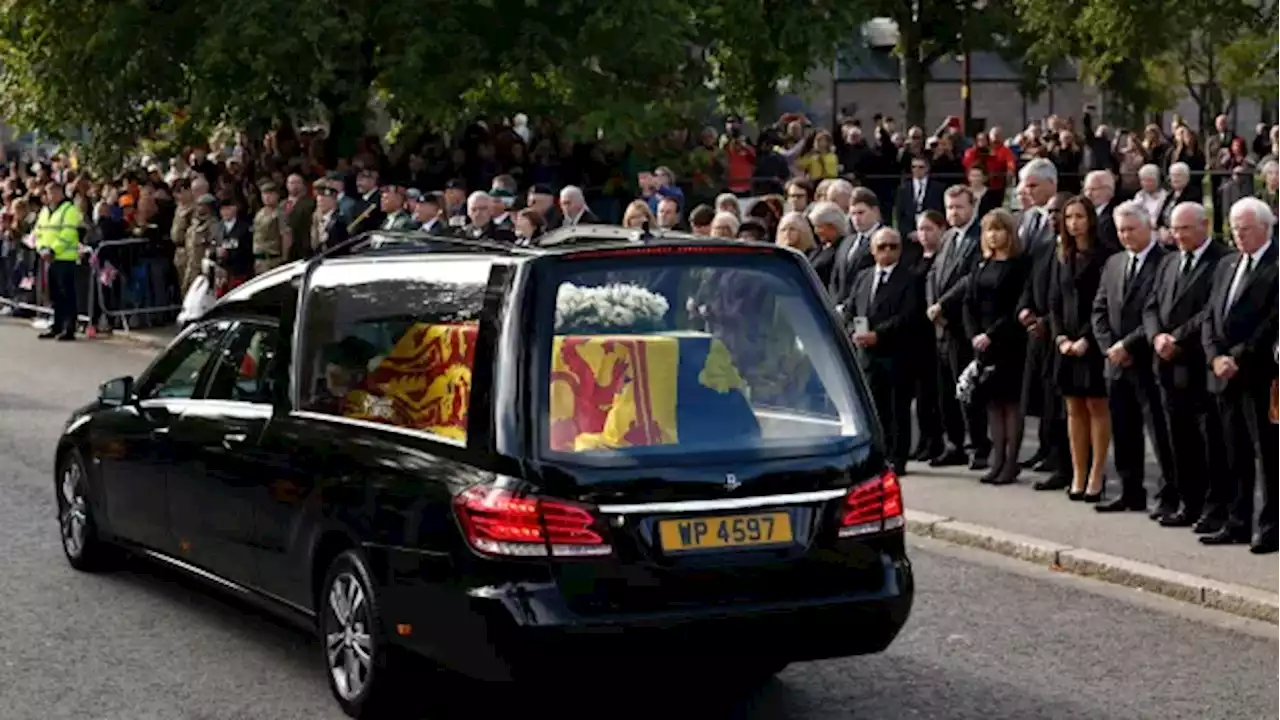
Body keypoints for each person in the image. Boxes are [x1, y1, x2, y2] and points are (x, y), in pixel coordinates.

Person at [1143, 202, 1230, 529]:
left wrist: (1176, 338)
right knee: (1179, 439)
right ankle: (1187, 502)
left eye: (1186, 229)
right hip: (1166, 364)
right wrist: (1156, 338)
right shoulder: (1168, 261)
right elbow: (1150, 306)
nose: (1178, 235)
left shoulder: (1221, 261)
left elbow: (1210, 311)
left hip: (1197, 362)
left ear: (1204, 225)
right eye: (1174, 229)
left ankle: (1214, 506)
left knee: (1209, 441)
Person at [1090, 200, 1175, 514]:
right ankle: (1130, 491)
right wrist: (1109, 347)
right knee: (1124, 432)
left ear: (1148, 227)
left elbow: (1159, 313)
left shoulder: (1165, 262)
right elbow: (1099, 309)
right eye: (1121, 230)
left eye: (1131, 229)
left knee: (1159, 433)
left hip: (1146, 361)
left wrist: (1128, 344)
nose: (1126, 235)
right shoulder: (1113, 263)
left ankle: (1169, 495)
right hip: (1115, 362)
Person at [1049, 195, 1115, 502]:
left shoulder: (1104, 256)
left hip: (1092, 341)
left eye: (1079, 216)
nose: (1074, 223)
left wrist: (1087, 339)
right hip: (1066, 343)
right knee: (1073, 408)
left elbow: (1104, 302)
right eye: (1069, 217)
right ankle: (1078, 471)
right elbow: (1054, 301)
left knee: (1096, 406)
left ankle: (1096, 474)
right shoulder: (1062, 253)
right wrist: (1060, 336)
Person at [962, 209, 1031, 484]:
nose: (993, 235)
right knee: (992, 403)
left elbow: (1016, 305)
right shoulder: (980, 263)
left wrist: (991, 334)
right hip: (982, 342)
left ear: (1009, 232)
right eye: (989, 230)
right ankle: (997, 459)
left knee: (1010, 404)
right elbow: (968, 301)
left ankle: (1011, 462)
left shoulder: (1019, 264)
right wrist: (974, 334)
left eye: (999, 229)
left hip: (1009, 341)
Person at [846, 228, 921, 474]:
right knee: (874, 408)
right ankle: (879, 454)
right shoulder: (864, 276)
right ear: (872, 250)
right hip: (867, 356)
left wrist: (878, 334)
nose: (887, 251)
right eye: (882, 246)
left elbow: (908, 316)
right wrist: (851, 331)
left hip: (895, 354)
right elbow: (851, 308)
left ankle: (898, 458)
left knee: (897, 409)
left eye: (893, 246)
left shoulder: (910, 278)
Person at [34, 181, 85, 340]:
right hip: (50, 258)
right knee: (55, 295)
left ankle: (69, 328)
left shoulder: (69, 210)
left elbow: (68, 233)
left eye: (51, 193)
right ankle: (56, 325)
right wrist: (41, 248)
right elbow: (38, 232)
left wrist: (53, 250)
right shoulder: (44, 211)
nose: (49, 197)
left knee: (67, 295)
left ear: (59, 193)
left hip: (65, 258)